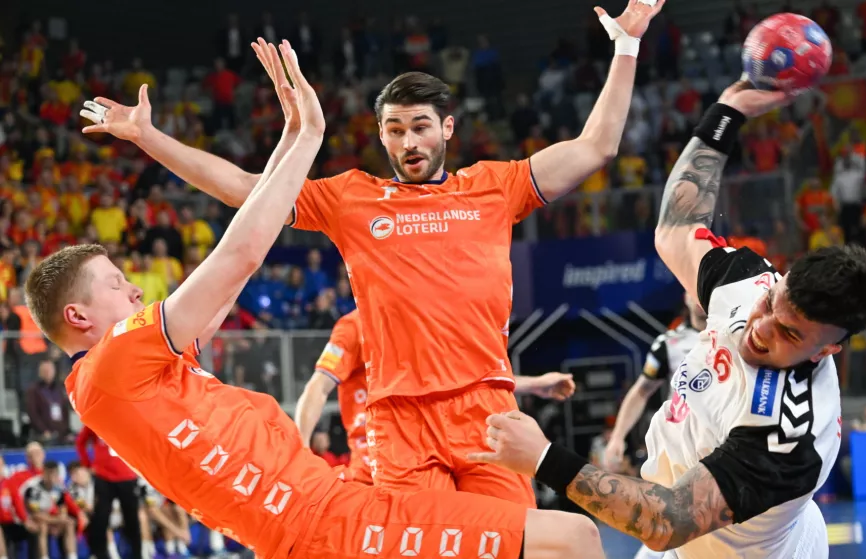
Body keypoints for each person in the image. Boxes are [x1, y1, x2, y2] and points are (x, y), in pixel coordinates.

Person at [79, 0, 664, 505]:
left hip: (488, 410)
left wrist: (627, 45)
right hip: (399, 421)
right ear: (380, 135)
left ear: (448, 129)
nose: (409, 142)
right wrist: (148, 137)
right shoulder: (351, 197)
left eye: (421, 126)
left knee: (511, 543)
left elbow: (597, 145)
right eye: (395, 130)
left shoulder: (495, 185)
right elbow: (242, 187)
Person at [468, 80, 866, 558]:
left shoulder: (786, 433)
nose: (760, 327)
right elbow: (676, 229)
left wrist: (543, 457)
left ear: (829, 348)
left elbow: (668, 521)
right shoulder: (749, 282)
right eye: (772, 303)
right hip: (680, 528)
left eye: (789, 332)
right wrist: (727, 113)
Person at [295, 309, 576, 484]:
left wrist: (536, 384)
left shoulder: (425, 324)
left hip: (428, 458)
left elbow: (470, 381)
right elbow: (317, 387)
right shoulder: (355, 325)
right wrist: (300, 451)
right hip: (374, 465)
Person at [603, 294, 706, 473]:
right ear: (685, 297)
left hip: (725, 438)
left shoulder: (734, 332)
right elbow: (641, 391)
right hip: (684, 445)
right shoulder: (669, 343)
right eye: (691, 289)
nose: (696, 296)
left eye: (700, 288)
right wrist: (617, 437)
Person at [75, 424, 143, 559]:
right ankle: (99, 554)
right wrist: (87, 464)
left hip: (127, 477)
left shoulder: (127, 417)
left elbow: (144, 440)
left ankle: (137, 555)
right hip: (103, 477)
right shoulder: (95, 417)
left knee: (132, 520)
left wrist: (138, 465)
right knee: (100, 519)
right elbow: (80, 442)